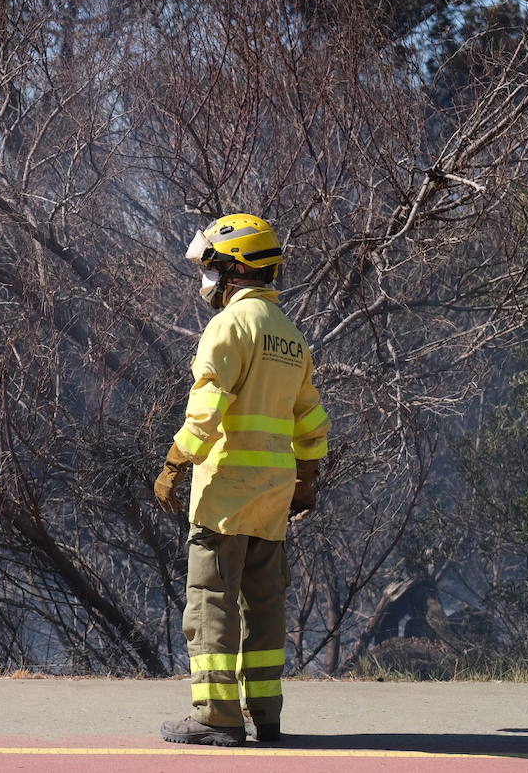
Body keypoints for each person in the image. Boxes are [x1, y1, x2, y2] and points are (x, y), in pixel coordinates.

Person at [154, 213, 330, 747]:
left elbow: (206, 410)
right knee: (264, 602)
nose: (206, 279)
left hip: (225, 491)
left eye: (211, 267)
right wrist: (307, 480)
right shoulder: (290, 337)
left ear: (234, 268)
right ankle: (266, 714)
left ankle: (216, 716)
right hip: (272, 496)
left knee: (210, 598)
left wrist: (173, 464)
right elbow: (312, 420)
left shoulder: (230, 326)